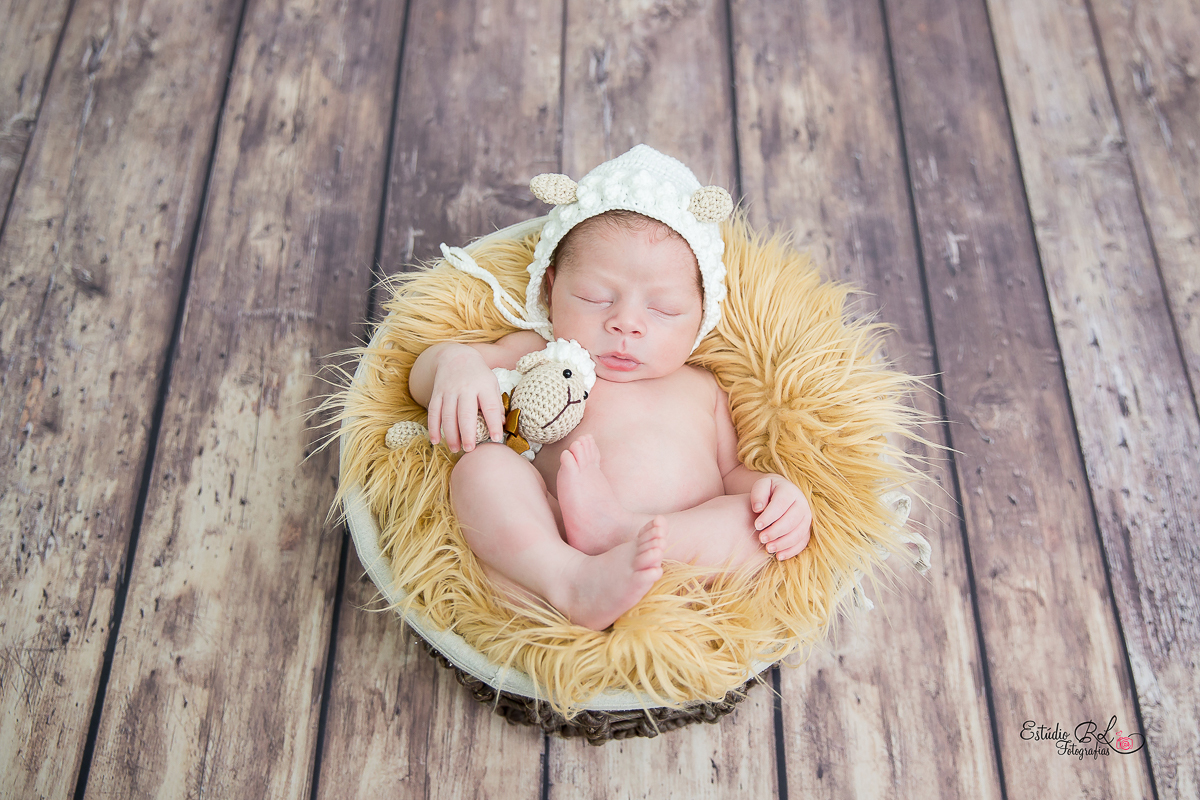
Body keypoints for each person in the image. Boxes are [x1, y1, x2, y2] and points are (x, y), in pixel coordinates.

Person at [408, 145, 812, 630]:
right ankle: (569, 578)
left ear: (703, 314)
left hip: (678, 556)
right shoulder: (546, 351)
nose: (626, 324)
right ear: (551, 288)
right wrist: (455, 362)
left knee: (753, 526)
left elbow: (731, 475)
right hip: (556, 532)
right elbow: (418, 380)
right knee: (482, 468)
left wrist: (776, 494)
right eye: (595, 298)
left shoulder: (703, 387)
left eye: (662, 309)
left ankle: (618, 534)